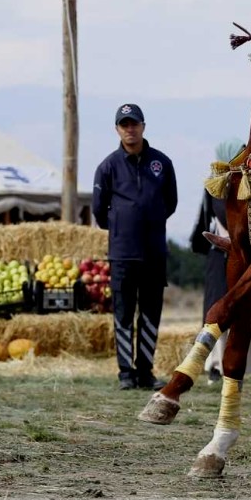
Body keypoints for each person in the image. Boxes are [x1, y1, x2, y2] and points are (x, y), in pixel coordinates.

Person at [93, 103, 178, 391]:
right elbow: (98, 211)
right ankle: (125, 374)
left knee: (151, 314)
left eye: (134, 124)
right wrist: (123, 227)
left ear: (143, 126)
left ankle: (145, 373)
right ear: (117, 129)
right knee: (123, 314)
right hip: (122, 255)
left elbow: (171, 203)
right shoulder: (107, 166)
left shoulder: (162, 163)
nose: (130, 129)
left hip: (154, 253)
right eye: (124, 124)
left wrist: (149, 222)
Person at [189, 139, 251, 384]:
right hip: (222, 256)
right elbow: (220, 216)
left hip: (242, 256)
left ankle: (244, 365)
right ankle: (215, 366)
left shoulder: (248, 181)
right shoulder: (219, 184)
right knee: (220, 311)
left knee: (245, 310)